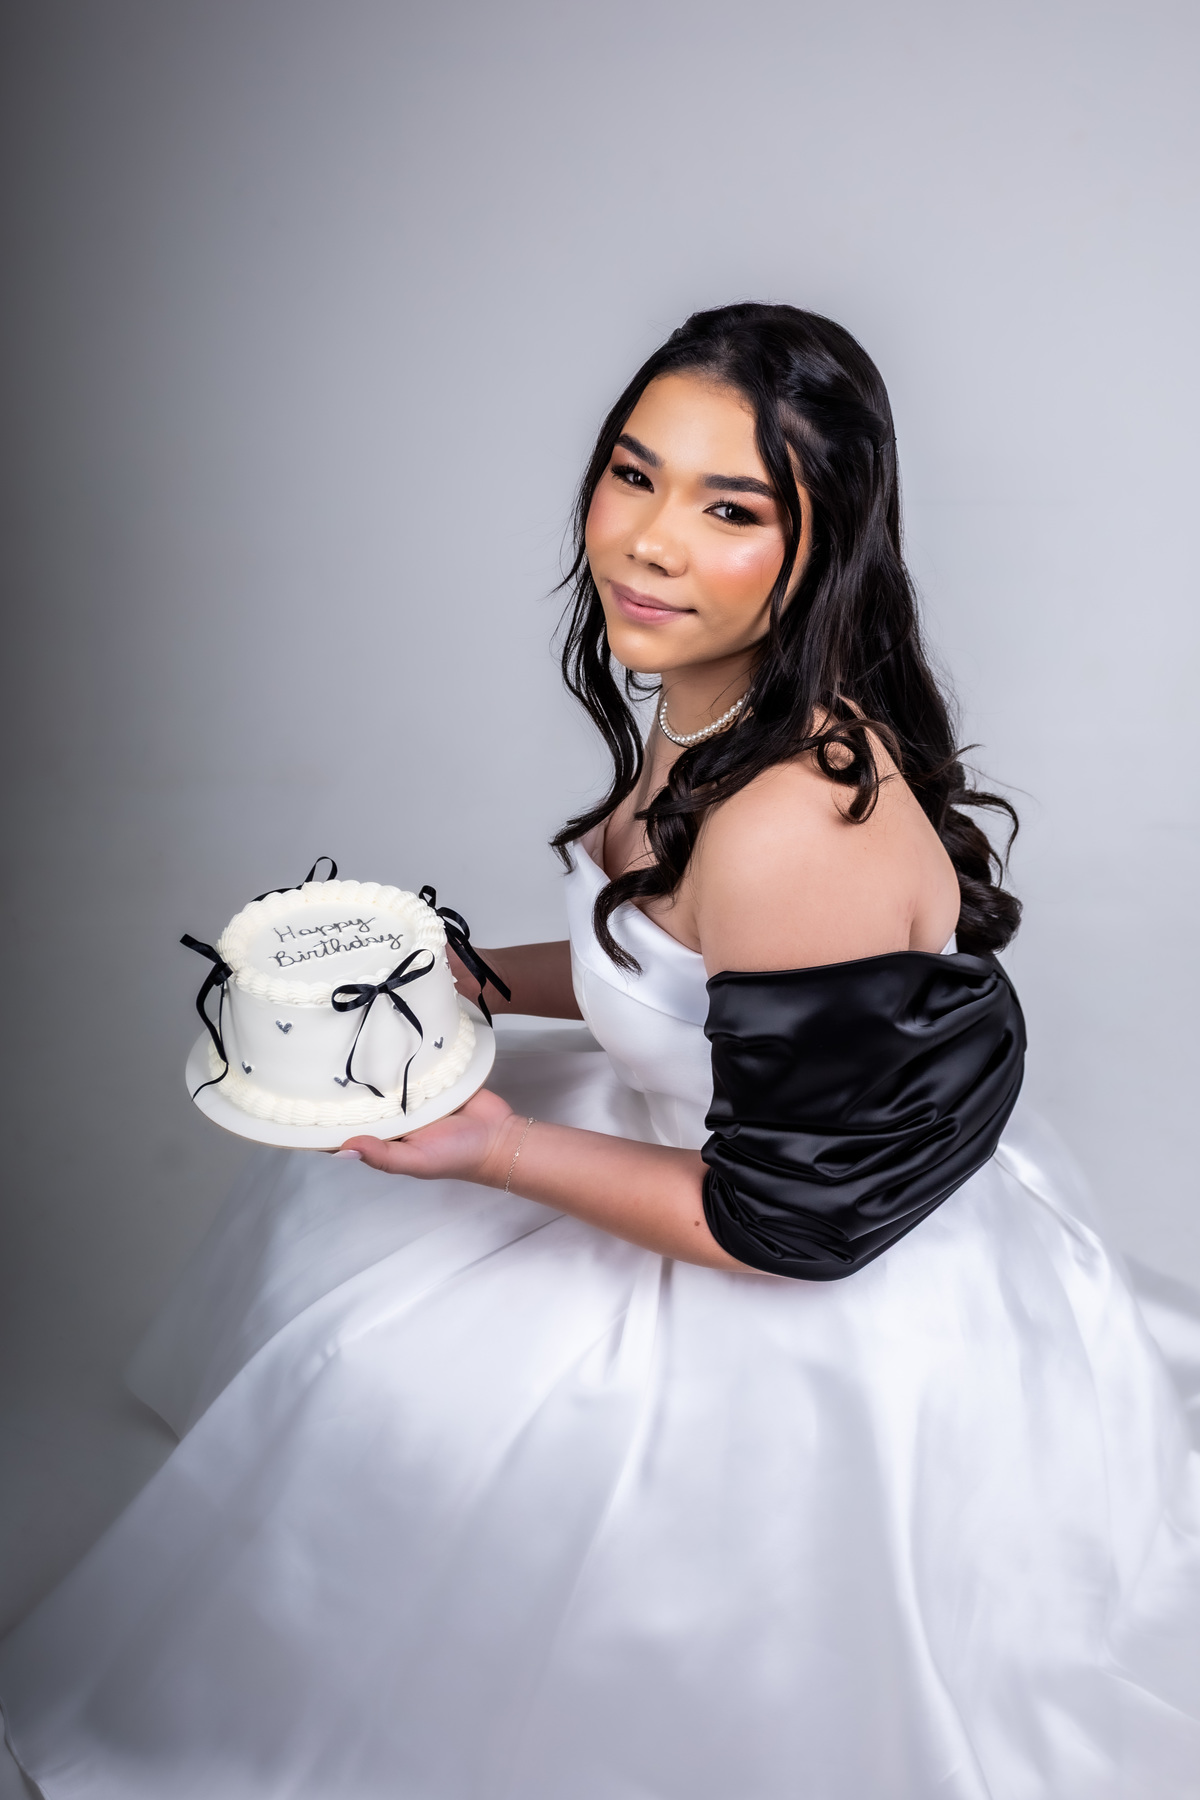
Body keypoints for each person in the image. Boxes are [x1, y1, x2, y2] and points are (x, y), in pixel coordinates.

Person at [3, 303, 1198, 1798]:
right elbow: (670, 972)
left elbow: (781, 1226)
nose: (649, 542)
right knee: (334, 1195)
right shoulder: (720, 704)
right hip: (718, 1120)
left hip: (783, 1246)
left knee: (416, 1393)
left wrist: (497, 1146)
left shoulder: (791, 830)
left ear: (823, 545)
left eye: (730, 509)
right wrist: (473, 982)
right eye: (635, 474)